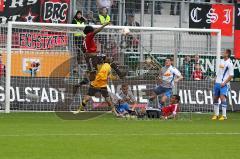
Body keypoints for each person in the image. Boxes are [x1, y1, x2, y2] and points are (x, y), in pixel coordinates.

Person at [212, 49, 234, 121]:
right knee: (215, 98)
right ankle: (216, 114)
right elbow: (219, 71)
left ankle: (224, 116)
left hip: (224, 83)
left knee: (222, 98)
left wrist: (224, 83)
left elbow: (231, 75)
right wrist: (215, 78)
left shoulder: (230, 63)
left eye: (224, 52)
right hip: (217, 83)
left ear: (227, 54)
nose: (222, 53)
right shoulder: (221, 61)